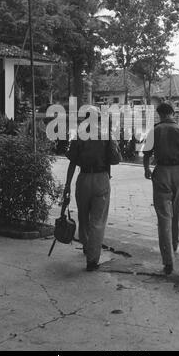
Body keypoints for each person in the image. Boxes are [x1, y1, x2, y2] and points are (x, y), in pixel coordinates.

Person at [143, 102, 179, 275]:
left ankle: (168, 260)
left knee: (164, 217)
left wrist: (146, 169)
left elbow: (146, 154)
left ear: (160, 114)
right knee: (177, 213)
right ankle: (174, 246)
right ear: (173, 113)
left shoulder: (155, 130)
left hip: (162, 173)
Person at [63, 106, 122, 271]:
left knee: (83, 216)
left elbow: (72, 162)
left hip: (83, 179)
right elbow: (116, 159)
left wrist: (67, 185)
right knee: (97, 221)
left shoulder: (78, 136)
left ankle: (86, 246)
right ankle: (92, 260)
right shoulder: (106, 135)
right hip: (101, 179)